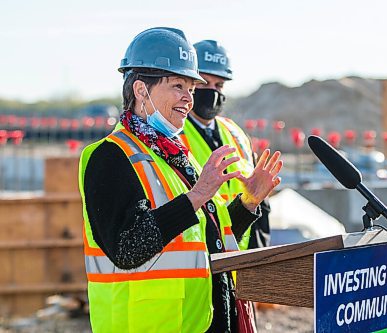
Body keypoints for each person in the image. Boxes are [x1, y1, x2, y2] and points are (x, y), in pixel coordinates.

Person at [78, 27, 282, 333]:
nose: (189, 98)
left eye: (191, 88)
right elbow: (127, 247)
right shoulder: (110, 157)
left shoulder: (173, 155)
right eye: (178, 86)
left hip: (199, 319)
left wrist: (248, 202)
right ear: (140, 90)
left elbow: (209, 238)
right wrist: (198, 194)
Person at [180, 40, 271, 250]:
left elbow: (259, 200)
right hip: (200, 259)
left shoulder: (236, 133)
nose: (212, 92)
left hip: (240, 259)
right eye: (204, 84)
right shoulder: (173, 135)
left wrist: (258, 257)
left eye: (219, 85)